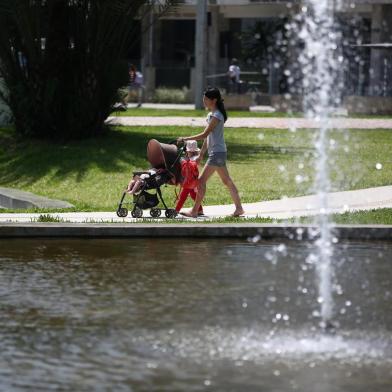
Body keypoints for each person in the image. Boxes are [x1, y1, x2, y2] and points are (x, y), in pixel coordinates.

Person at [177, 87, 245, 218]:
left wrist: (185, 139)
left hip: (217, 154)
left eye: (206, 99)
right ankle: (239, 208)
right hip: (218, 152)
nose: (204, 101)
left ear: (214, 100)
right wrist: (201, 155)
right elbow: (208, 138)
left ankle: (195, 211)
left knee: (201, 181)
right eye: (204, 98)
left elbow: (204, 134)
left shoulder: (217, 115)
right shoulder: (211, 115)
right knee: (227, 181)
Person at [175, 140, 204, 216]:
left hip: (189, 181)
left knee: (182, 196)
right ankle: (200, 209)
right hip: (194, 181)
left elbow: (186, 164)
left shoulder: (191, 159)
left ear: (189, 151)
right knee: (193, 195)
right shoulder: (197, 158)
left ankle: (176, 210)